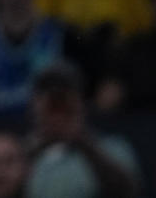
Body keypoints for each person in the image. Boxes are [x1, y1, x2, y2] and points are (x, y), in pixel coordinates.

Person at [25, 61, 141, 198]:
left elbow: (129, 191)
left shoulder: (113, 147)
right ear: (34, 105)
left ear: (81, 101)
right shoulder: (20, 152)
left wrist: (81, 141)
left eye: (65, 93)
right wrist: (38, 144)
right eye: (47, 94)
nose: (57, 103)